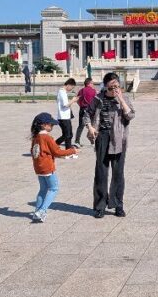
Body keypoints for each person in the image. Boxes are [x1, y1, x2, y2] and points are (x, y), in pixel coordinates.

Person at [87, 71, 134, 218]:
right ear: (105, 87)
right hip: (102, 137)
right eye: (111, 87)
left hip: (119, 139)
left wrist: (121, 100)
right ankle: (100, 205)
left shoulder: (124, 98)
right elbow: (87, 113)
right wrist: (90, 127)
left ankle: (118, 205)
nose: (114, 90)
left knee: (118, 173)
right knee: (101, 172)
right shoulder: (98, 99)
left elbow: (130, 115)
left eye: (116, 87)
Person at [30, 112, 79, 222]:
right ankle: (42, 210)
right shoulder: (47, 138)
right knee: (54, 188)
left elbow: (34, 152)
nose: (52, 126)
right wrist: (72, 150)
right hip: (48, 168)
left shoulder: (36, 137)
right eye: (51, 124)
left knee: (43, 189)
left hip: (38, 168)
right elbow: (57, 151)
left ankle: (36, 211)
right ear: (44, 125)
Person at [55, 78, 78, 154]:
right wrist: (73, 100)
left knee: (68, 135)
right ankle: (66, 151)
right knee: (67, 135)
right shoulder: (62, 92)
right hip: (63, 117)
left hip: (65, 117)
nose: (71, 89)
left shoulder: (62, 92)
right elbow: (65, 105)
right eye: (72, 87)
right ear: (68, 85)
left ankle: (65, 149)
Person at [74, 76, 97, 147]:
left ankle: (77, 141)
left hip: (82, 109)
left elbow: (77, 100)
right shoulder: (93, 91)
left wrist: (81, 106)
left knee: (80, 126)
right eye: (92, 83)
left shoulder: (81, 90)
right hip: (90, 110)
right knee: (91, 126)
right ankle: (92, 141)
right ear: (89, 83)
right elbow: (95, 101)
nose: (93, 84)